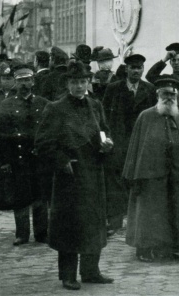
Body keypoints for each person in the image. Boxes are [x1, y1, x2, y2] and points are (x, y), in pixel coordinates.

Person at [35, 60, 114, 290]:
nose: (79, 86)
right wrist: (60, 160)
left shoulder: (95, 105)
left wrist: (107, 143)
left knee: (93, 224)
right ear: (68, 84)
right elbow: (42, 143)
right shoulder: (56, 108)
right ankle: (68, 275)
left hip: (93, 173)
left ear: (89, 82)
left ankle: (91, 271)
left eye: (83, 82)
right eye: (74, 82)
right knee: (70, 226)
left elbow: (104, 130)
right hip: (70, 177)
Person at [122, 77, 179, 262]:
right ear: (158, 95)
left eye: (172, 94)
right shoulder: (145, 116)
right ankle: (144, 249)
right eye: (165, 94)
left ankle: (168, 248)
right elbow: (136, 148)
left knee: (173, 212)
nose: (169, 98)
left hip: (176, 175)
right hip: (151, 176)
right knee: (151, 212)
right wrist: (134, 174)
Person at [102, 52, 156, 233]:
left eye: (139, 67)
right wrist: (107, 138)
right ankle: (114, 222)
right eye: (132, 67)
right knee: (116, 181)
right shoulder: (113, 88)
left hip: (141, 142)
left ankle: (138, 223)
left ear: (143, 69)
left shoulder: (149, 90)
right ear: (126, 69)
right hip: (118, 142)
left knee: (138, 180)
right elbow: (104, 117)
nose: (136, 71)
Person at [0, 63, 49, 246]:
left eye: (27, 80)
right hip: (18, 158)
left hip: (39, 158)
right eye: (21, 81)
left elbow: (48, 132)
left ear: (33, 81)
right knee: (20, 198)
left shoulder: (43, 104)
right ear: (15, 83)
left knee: (40, 196)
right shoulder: (7, 105)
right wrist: (4, 161)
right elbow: (1, 134)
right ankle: (22, 234)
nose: (24, 84)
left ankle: (42, 233)